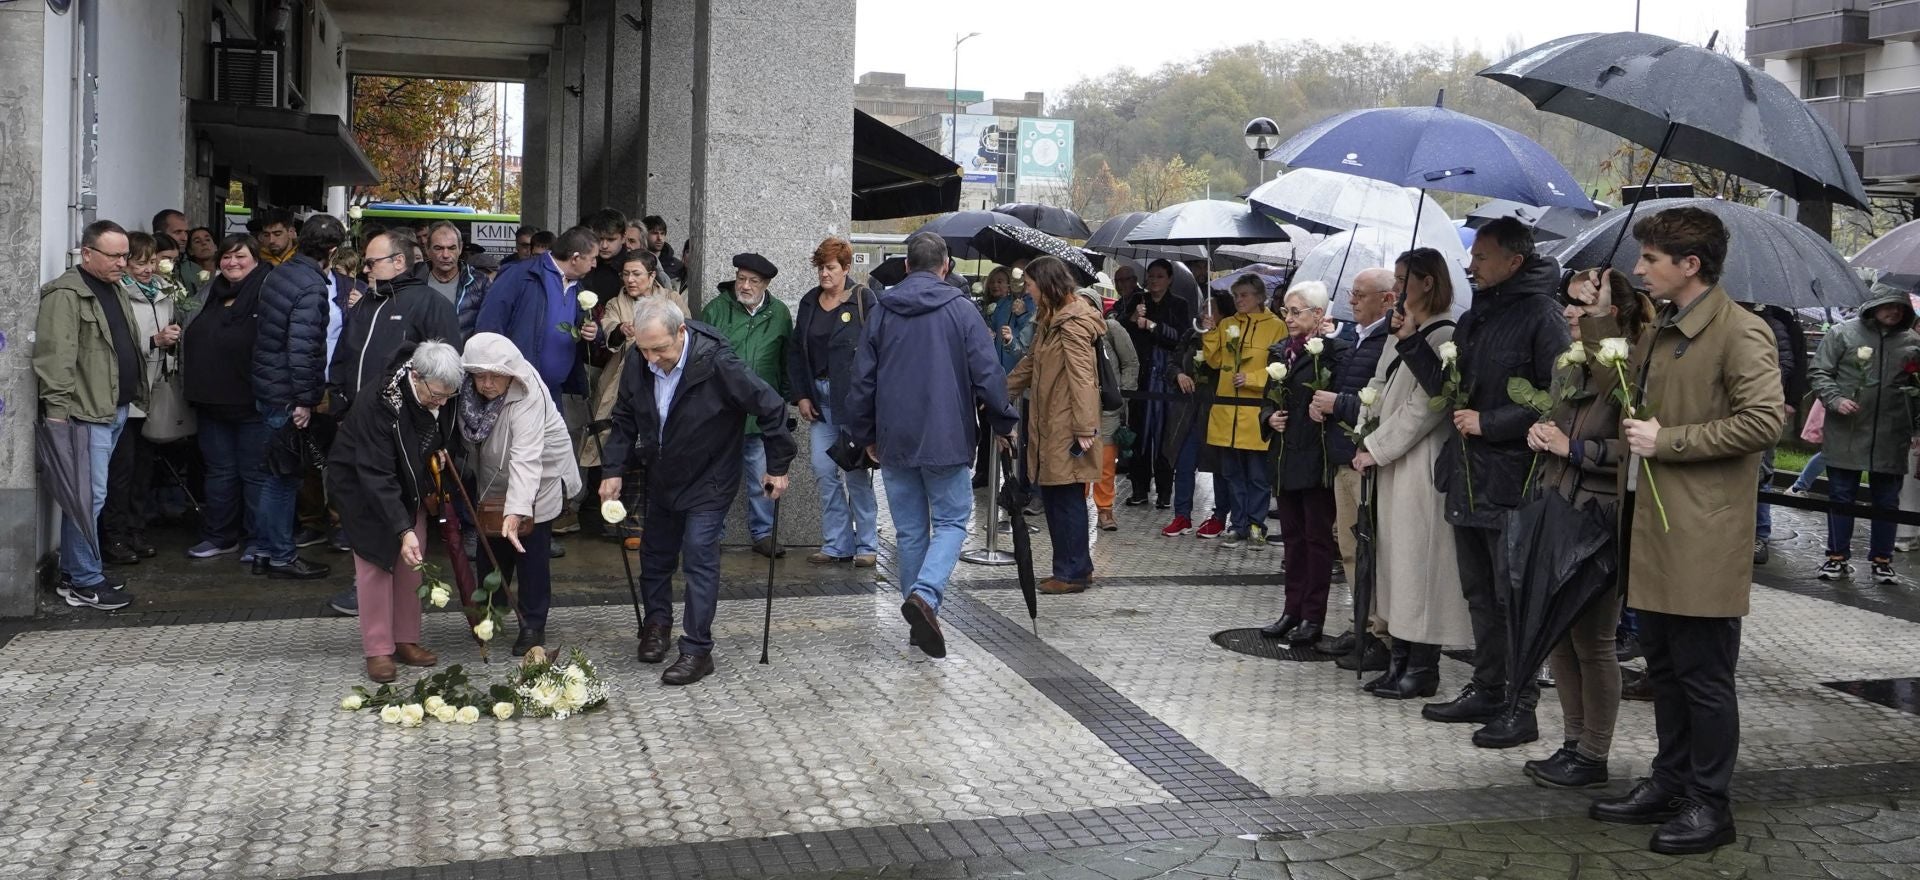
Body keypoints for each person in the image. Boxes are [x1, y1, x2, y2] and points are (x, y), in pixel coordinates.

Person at [1587, 206, 1784, 855]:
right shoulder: (1663, 327)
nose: (1639, 269)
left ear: (1689, 264)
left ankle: (1709, 803)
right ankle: (1669, 783)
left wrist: (1667, 440)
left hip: (1700, 536)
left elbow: (1763, 423)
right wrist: (1595, 315)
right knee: (1665, 671)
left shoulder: (1739, 331)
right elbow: (1614, 389)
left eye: (1650, 259)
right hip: (1652, 530)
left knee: (1703, 677)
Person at [1397, 216, 1570, 750]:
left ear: (1514, 261)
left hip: (1513, 478)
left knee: (1510, 595)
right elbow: (1452, 393)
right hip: (1468, 476)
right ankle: (1487, 687)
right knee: (1479, 594)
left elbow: (1557, 397)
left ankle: (1521, 704)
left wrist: (1490, 423)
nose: (1471, 265)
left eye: (1483, 257)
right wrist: (1411, 344)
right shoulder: (1477, 316)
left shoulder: (1543, 316)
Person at [597, 297, 795, 685]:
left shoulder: (717, 362)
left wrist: (777, 467)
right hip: (663, 473)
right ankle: (656, 626)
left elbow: (771, 406)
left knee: (699, 555)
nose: (652, 359)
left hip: (711, 476)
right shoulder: (641, 359)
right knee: (654, 555)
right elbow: (624, 418)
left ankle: (697, 650)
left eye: (660, 349)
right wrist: (613, 469)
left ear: (681, 333)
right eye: (644, 349)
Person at [846, 233, 1018, 657]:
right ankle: (925, 596)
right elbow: (988, 373)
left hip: (894, 438)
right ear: (945, 267)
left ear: (906, 267)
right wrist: (1004, 420)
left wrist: (866, 433)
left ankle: (918, 621)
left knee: (909, 532)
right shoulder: (962, 311)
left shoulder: (882, 311)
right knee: (953, 521)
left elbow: (861, 378)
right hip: (947, 435)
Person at [1515, 267, 1650, 788]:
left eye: (1580, 305)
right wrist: (1541, 432)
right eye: (1567, 304)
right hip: (1557, 509)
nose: (1568, 313)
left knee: (1593, 640)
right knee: (1560, 638)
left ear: (1611, 313)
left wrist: (1575, 449)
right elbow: (1560, 424)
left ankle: (1594, 753)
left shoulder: (1630, 367)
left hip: (1598, 520)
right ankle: (1571, 743)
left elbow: (1632, 446)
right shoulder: (1568, 365)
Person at [1353, 248, 1469, 700]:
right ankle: (1398, 655)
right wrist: (1365, 432)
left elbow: (1426, 408)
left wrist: (1377, 448)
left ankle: (1422, 666)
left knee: (1418, 563)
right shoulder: (1400, 331)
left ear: (1427, 282)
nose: (1397, 288)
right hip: (1389, 461)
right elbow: (1379, 388)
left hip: (1419, 465)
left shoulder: (1445, 336)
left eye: (1404, 279)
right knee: (1393, 561)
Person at [327, 342, 462, 683]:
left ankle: (405, 639)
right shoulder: (380, 403)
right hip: (363, 487)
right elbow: (376, 474)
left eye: (449, 396)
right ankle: (378, 649)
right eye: (437, 395)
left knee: (412, 564)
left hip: (410, 485)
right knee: (376, 564)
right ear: (416, 377)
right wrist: (402, 530)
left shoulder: (439, 391)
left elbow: (437, 434)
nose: (442, 402)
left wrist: (440, 452)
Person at [34, 220, 146, 610]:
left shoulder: (113, 288)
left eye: (125, 255)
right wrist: (58, 416)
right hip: (85, 412)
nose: (121, 262)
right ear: (87, 254)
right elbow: (55, 360)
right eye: (113, 255)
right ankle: (85, 580)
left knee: (90, 496)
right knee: (88, 498)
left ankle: (77, 572)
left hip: (112, 407)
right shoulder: (66, 295)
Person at [461, 333, 583, 657]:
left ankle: (532, 624)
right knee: (491, 550)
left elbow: (526, 459)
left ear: (510, 372)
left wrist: (516, 512)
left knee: (529, 552)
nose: (486, 383)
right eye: (479, 375)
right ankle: (490, 612)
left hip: (538, 479)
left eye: (494, 375)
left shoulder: (529, 393)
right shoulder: (467, 391)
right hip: (493, 480)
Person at [1308, 268, 1397, 665]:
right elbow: (1348, 389)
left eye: (1361, 294)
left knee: (1369, 548)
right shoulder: (1355, 338)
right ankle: (1361, 621)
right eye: (1351, 293)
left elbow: (1379, 403)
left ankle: (1381, 632)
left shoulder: (1390, 341)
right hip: (1344, 453)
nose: (1353, 300)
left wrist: (1337, 404)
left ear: (1388, 299)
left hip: (1365, 457)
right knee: (1348, 547)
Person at [251, 213, 347, 580]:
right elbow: (304, 348)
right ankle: (280, 556)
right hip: (289, 395)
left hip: (269, 387)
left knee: (271, 474)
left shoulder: (280, 274)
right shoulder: (311, 285)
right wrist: (306, 400)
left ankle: (263, 551)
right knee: (284, 477)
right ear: (333, 251)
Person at [1257, 281, 1352, 646]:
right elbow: (1267, 398)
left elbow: (1343, 394)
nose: (1289, 318)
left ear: (1317, 314)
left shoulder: (1335, 352)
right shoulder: (1279, 352)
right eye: (1286, 311)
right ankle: (1291, 609)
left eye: (1296, 311)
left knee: (1316, 540)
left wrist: (1325, 348)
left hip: (1315, 456)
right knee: (1292, 540)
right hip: (1284, 455)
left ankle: (1313, 615)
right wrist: (1269, 418)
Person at [1006, 257, 1107, 593]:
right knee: (1057, 494)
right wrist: (999, 391)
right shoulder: (1052, 321)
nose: (1028, 292)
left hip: (1067, 425)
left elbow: (1083, 379)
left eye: (1031, 286)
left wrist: (1083, 428)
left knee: (1064, 496)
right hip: (1054, 421)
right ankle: (1076, 567)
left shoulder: (1072, 323)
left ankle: (1071, 572)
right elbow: (1031, 363)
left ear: (1046, 285)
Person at [1808, 283, 1920, 584]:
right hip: (1847, 432)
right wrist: (1835, 399)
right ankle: (1835, 557)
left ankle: (1882, 560)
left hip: (1891, 435)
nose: (1894, 311)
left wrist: (1917, 428)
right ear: (1872, 305)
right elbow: (1819, 371)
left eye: (1899, 307)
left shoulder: (1912, 343)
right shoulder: (1842, 334)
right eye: (1887, 305)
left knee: (1887, 501)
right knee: (1841, 496)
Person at [789, 238, 881, 567]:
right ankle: (836, 543)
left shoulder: (863, 299)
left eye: (830, 268)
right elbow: (796, 351)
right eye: (820, 268)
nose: (824, 274)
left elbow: (877, 349)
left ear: (846, 268)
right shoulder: (809, 302)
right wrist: (800, 394)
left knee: (855, 472)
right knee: (823, 470)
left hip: (853, 401)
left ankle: (867, 545)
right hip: (820, 399)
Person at [181, 234, 272, 564]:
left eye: (241, 256)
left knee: (255, 475)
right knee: (219, 474)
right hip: (211, 402)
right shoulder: (210, 292)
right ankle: (220, 536)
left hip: (254, 403)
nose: (232, 263)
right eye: (227, 257)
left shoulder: (268, 291)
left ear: (256, 259)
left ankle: (258, 540)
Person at [701, 253, 793, 559]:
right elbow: (700, 357)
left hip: (759, 413)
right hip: (720, 411)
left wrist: (782, 403)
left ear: (765, 284)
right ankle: (714, 533)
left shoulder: (779, 313)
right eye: (741, 278)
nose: (745, 285)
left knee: (760, 476)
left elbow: (784, 359)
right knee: (716, 477)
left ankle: (763, 533)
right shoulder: (716, 309)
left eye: (753, 281)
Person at [99, 232, 183, 564]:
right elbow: (119, 346)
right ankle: (114, 536)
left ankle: (136, 529)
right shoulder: (119, 295)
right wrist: (155, 340)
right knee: (121, 470)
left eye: (151, 262)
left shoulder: (164, 293)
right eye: (139, 263)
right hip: (130, 392)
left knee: (143, 471)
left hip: (156, 391)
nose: (147, 269)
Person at [583, 249, 689, 497]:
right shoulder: (615, 303)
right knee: (619, 440)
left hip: (666, 379)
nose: (630, 280)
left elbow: (686, 331)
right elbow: (609, 331)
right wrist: (621, 329)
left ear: (652, 276)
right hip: (623, 381)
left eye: (636, 274)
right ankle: (619, 515)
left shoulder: (672, 299)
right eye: (626, 274)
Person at [329, 231, 463, 416]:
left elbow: (446, 375)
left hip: (403, 426)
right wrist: (339, 408)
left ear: (399, 261)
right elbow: (341, 358)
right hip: (354, 422)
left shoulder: (432, 304)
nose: (365, 270)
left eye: (371, 263)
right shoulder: (364, 303)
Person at [1200, 275, 1290, 549]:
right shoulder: (1227, 324)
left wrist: (1251, 379)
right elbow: (1214, 362)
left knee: (1258, 476)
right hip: (1227, 413)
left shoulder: (1277, 327)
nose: (1239, 300)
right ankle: (1237, 525)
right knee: (1232, 474)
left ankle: (1256, 525)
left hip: (1255, 416)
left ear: (1260, 297)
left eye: (1245, 295)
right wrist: (1211, 332)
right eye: (1237, 295)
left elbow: (1281, 369)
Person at [476, 226, 598, 398]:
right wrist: (493, 378)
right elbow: (489, 324)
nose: (595, 264)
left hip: (556, 393)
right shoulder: (520, 274)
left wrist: (592, 332)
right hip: (517, 388)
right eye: (592, 258)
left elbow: (583, 328)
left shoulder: (577, 287)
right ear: (575, 258)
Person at [1165, 290, 1238, 539]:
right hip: (1189, 410)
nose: (1204, 314)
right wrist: (1179, 374)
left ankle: (1219, 516)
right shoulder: (1191, 333)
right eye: (1203, 308)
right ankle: (1182, 515)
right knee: (1184, 463)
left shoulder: (1231, 336)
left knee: (1219, 466)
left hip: (1217, 409)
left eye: (1211, 309)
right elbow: (1172, 361)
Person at [1120, 260, 1192, 511]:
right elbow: (1122, 332)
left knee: (1164, 435)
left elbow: (1181, 338)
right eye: (1150, 276)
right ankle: (1139, 489)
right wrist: (1132, 318)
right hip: (1140, 377)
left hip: (1165, 379)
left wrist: (1152, 325)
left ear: (1169, 279)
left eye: (1159, 276)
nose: (1153, 281)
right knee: (1138, 434)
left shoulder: (1179, 304)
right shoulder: (1138, 300)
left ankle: (1163, 491)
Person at [1089, 285, 1140, 532]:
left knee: (1106, 460)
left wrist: (1123, 394)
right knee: (1077, 459)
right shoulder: (1069, 330)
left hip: (1108, 405)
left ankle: (1105, 509)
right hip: (1079, 406)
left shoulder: (1112, 329)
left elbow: (1131, 362)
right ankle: (1076, 508)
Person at [417, 221, 491, 339]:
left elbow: (489, 327)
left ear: (460, 248)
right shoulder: (414, 281)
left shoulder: (480, 282)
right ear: (427, 250)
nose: (446, 255)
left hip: (464, 355)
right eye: (438, 248)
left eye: (451, 248)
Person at [986, 267, 1032, 373]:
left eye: (1000, 281)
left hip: (1018, 370)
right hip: (998, 367)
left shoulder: (1033, 304)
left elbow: (1031, 337)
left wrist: (1023, 315)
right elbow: (993, 327)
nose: (995, 285)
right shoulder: (1003, 303)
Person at [642, 215, 688, 289]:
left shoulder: (677, 266)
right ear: (644, 235)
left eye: (662, 233)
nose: (659, 238)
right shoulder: (636, 261)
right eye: (655, 233)